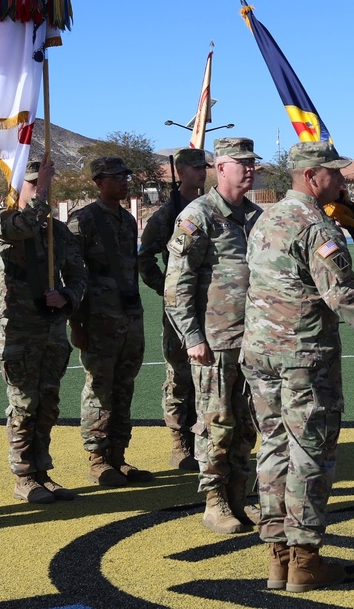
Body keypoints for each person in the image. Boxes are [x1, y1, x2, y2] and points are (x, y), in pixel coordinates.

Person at [242, 141, 354, 593]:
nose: (342, 182)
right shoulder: (317, 226)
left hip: (260, 352)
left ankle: (278, 558)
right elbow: (343, 297)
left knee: (273, 449)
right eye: (335, 174)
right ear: (311, 176)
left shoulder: (265, 218)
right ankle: (304, 559)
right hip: (302, 358)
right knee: (309, 453)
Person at [163, 141, 262, 534]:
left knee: (245, 425)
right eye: (243, 163)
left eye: (253, 163)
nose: (250, 169)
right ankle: (214, 501)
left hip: (253, 339)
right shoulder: (198, 215)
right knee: (215, 423)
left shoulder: (256, 216)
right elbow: (177, 285)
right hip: (214, 341)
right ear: (221, 167)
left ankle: (239, 497)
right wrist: (192, 336)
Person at [0, 158, 87, 504]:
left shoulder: (57, 231)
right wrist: (41, 194)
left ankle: (42, 471)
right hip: (19, 328)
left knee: (48, 403)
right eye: (32, 184)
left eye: (42, 183)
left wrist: (66, 297)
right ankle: (23, 475)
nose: (40, 189)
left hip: (51, 328)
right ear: (17, 188)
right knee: (23, 403)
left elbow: (78, 276)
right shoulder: (3, 222)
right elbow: (24, 225)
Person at [68, 156, 153, 487]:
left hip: (129, 314)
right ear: (99, 182)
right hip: (98, 315)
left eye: (126, 175)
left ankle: (118, 455)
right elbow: (73, 273)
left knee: (124, 385)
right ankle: (98, 458)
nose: (124, 181)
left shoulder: (128, 220)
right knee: (99, 386)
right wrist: (77, 322)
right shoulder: (84, 220)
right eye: (117, 177)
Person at [138, 148, 208, 471]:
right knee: (180, 377)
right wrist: (167, 291)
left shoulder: (213, 208)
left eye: (203, 166)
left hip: (213, 309)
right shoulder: (168, 214)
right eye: (194, 168)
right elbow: (144, 258)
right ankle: (181, 443)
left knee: (210, 378)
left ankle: (207, 440)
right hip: (181, 313)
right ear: (180, 171)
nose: (201, 172)